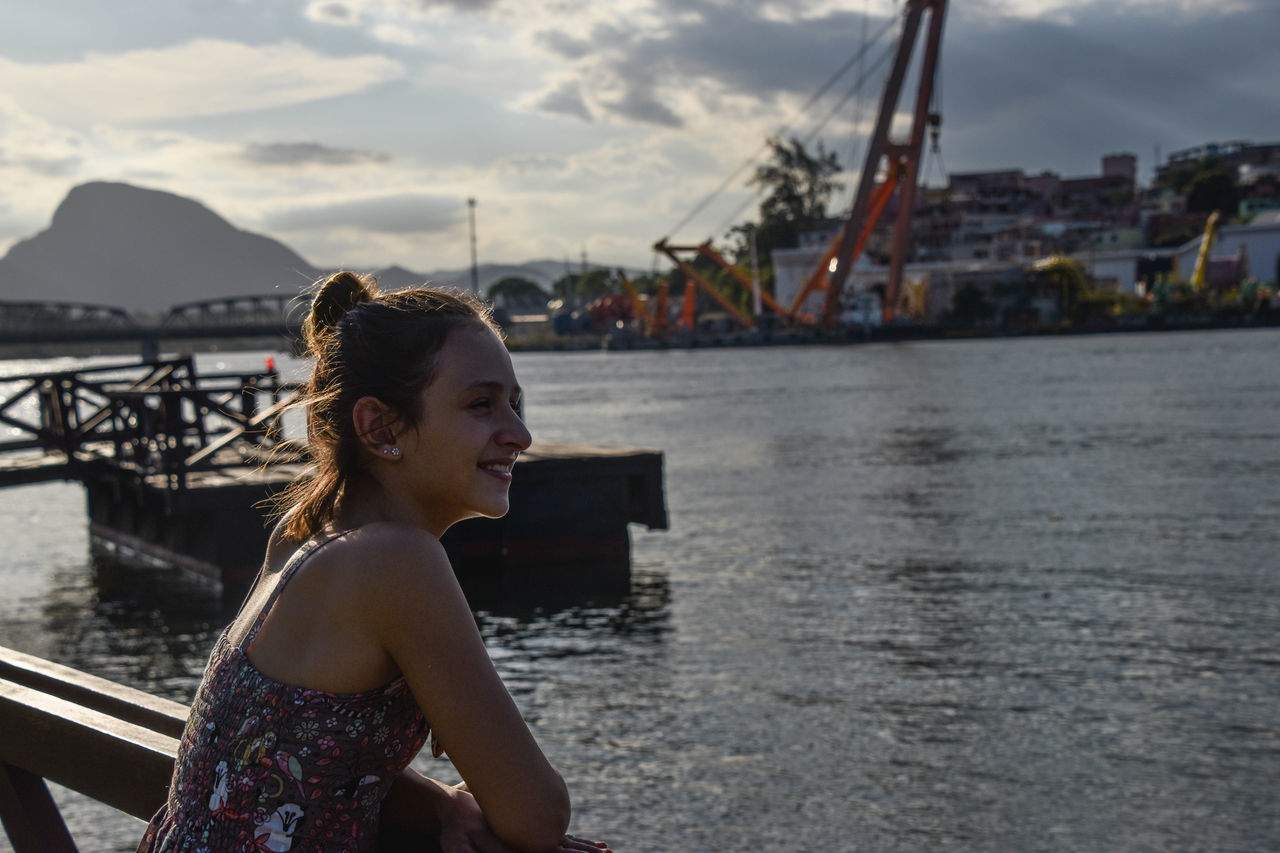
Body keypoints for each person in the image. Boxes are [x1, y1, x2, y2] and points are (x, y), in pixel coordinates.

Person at [137, 272, 610, 853]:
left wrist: (442, 806)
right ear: (379, 427)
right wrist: (464, 801)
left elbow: (304, 757)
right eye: (481, 405)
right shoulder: (397, 562)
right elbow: (537, 816)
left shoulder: (303, 536)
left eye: (514, 404)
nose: (520, 434)